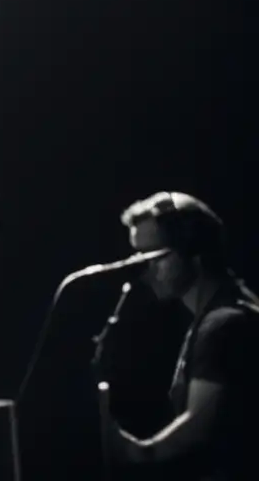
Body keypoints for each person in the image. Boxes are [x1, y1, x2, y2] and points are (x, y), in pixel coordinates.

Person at [105, 191, 259, 480]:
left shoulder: (224, 323)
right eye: (140, 257)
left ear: (194, 251)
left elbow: (197, 429)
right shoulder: (227, 308)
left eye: (155, 256)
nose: (144, 270)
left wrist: (136, 451)